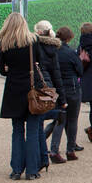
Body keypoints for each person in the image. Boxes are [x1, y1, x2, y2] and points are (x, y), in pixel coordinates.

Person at [0, 13, 47, 180]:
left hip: (13, 89)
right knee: (32, 130)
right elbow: (40, 62)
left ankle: (16, 169)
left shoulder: (4, 43)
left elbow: (2, 70)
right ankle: (32, 170)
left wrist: (11, 69)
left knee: (17, 130)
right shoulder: (32, 41)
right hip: (31, 88)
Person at [32, 19, 66, 170]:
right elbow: (57, 75)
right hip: (50, 89)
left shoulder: (33, 46)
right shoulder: (54, 48)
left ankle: (42, 157)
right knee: (57, 116)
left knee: (37, 122)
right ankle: (52, 151)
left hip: (37, 88)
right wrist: (62, 98)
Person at [48, 26, 83, 162]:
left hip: (57, 89)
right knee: (72, 120)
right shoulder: (70, 53)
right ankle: (70, 150)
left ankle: (54, 150)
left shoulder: (51, 51)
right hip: (72, 89)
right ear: (68, 38)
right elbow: (80, 71)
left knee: (59, 120)